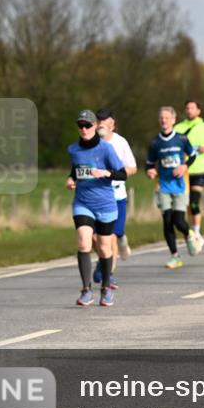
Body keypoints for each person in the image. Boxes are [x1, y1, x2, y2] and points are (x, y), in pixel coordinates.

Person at [67, 109, 127, 307]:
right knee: (84, 242)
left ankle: (106, 287)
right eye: (80, 126)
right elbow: (75, 170)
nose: (84, 129)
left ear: (95, 126)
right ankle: (86, 290)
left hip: (105, 204)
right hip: (82, 202)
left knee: (103, 246)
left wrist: (105, 172)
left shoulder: (106, 149)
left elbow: (122, 174)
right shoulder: (74, 149)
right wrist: (71, 179)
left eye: (87, 125)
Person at [146, 106, 202, 269]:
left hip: (180, 186)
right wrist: (150, 171)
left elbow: (192, 156)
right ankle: (175, 256)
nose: (164, 120)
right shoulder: (155, 142)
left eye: (167, 118)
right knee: (167, 221)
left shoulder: (181, 139)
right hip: (163, 186)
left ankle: (189, 234)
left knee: (179, 220)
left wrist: (184, 167)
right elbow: (149, 164)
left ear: (173, 120)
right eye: (161, 118)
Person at [91, 108, 137, 290]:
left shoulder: (120, 142)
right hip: (96, 196)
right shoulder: (90, 143)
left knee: (110, 236)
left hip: (116, 196)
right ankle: (104, 261)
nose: (101, 123)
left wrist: (114, 173)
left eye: (105, 120)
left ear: (113, 125)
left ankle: (108, 274)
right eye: (99, 120)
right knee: (94, 238)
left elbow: (132, 168)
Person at [174, 100, 204, 247]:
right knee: (186, 204)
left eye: (192, 108)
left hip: (200, 169)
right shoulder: (178, 127)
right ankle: (192, 231)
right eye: (187, 108)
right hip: (184, 171)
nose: (189, 111)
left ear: (199, 111)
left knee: (194, 201)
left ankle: (197, 232)